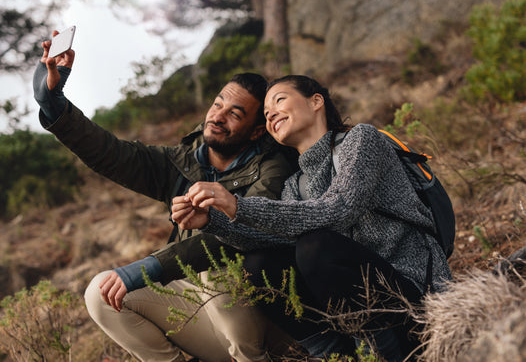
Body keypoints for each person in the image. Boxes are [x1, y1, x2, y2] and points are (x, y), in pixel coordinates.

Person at [32, 31, 297, 362]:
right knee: (101, 292)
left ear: (257, 130)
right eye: (218, 104)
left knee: (214, 264)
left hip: (271, 324)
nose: (218, 116)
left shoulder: (275, 169)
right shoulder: (182, 163)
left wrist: (150, 266)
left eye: (235, 113)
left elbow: (235, 238)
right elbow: (110, 154)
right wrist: (53, 104)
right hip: (207, 316)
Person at [172, 75, 453, 361]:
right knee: (258, 264)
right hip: (362, 313)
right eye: (266, 114)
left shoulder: (361, 140)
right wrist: (212, 221)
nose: (271, 114)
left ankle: (381, 352)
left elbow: (339, 208)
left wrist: (238, 205)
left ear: (316, 101)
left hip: (416, 298)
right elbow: (272, 239)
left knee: (315, 247)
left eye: (279, 100)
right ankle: (331, 353)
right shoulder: (295, 183)